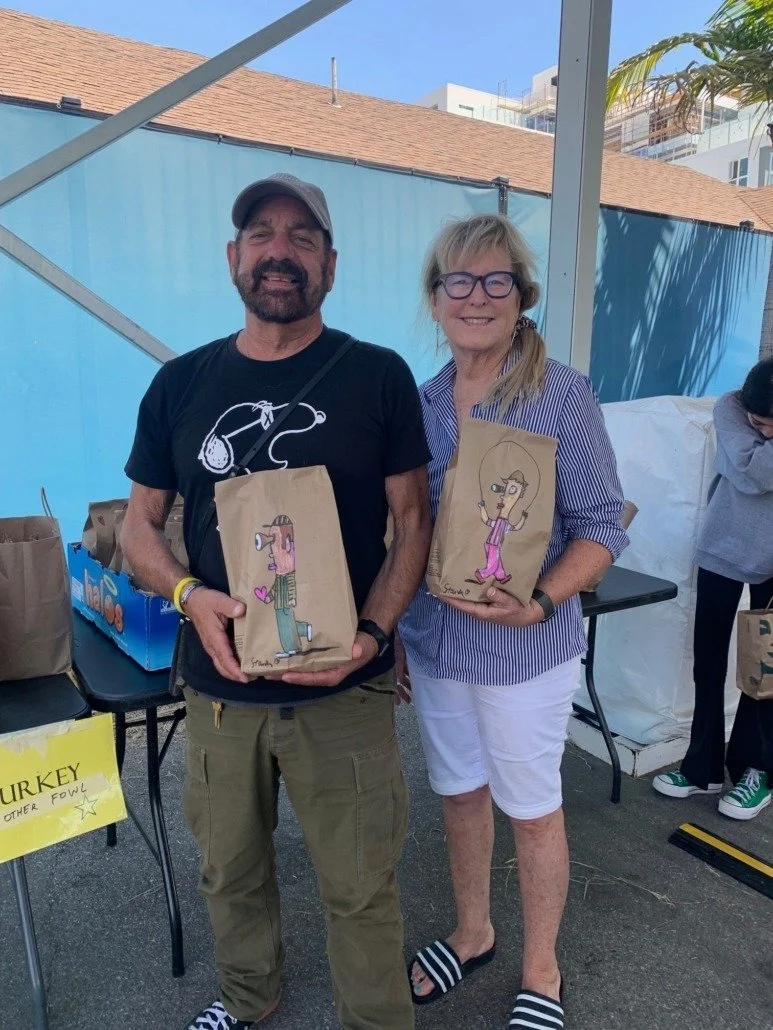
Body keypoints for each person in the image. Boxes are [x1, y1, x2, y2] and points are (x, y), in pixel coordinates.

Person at [121, 172, 432, 1030]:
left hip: (346, 690)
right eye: (262, 233)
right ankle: (251, 1000)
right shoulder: (180, 385)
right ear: (234, 257)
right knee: (230, 870)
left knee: (360, 881)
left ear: (330, 264)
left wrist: (373, 634)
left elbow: (413, 522)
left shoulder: (377, 376)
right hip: (220, 695)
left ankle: (376, 1021)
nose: (279, 251)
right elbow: (141, 527)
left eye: (302, 236)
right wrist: (189, 597)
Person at [396, 213, 628, 1030]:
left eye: (496, 281)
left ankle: (541, 969)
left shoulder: (560, 393)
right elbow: (406, 528)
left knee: (532, 807)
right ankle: (472, 932)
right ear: (434, 300)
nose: (476, 296)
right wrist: (392, 629)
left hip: (526, 650)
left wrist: (540, 603)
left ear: (521, 297)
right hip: (435, 643)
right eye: (457, 280)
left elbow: (603, 522)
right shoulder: (419, 401)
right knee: (459, 795)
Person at [653, 358, 773, 820]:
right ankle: (701, 766)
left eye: (769, 425)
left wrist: (754, 459)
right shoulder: (729, 407)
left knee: (764, 669)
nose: (759, 431)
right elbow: (750, 472)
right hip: (723, 546)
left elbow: (752, 467)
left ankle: (756, 771)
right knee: (707, 660)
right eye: (755, 422)